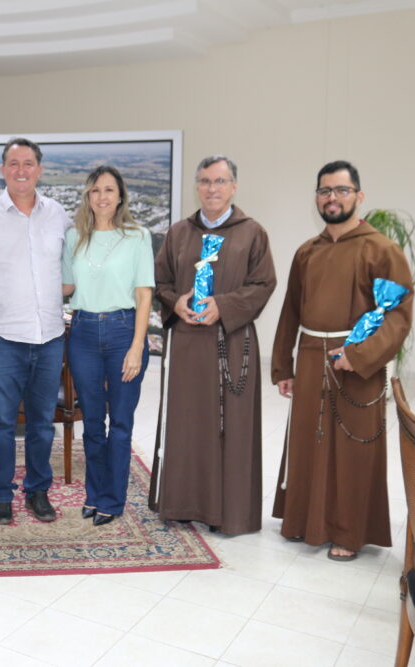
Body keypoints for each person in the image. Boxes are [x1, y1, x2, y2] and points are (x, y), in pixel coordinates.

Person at [272, 160, 413, 561]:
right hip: (312, 355)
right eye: (324, 191)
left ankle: (349, 533)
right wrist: (284, 365)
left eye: (340, 190)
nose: (331, 198)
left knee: (351, 450)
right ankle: (302, 521)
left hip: (355, 363)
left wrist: (359, 355)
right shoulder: (307, 252)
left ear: (359, 196)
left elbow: (399, 316)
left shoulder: (382, 250)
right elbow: (290, 311)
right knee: (308, 444)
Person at [148, 155, 276, 535]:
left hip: (231, 344)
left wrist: (224, 306)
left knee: (230, 427)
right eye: (205, 181)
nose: (212, 188)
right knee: (187, 424)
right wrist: (176, 302)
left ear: (233, 186)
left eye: (220, 181)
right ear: (197, 186)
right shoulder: (179, 233)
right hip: (187, 344)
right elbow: (161, 282)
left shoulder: (252, 233)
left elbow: (263, 284)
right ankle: (183, 503)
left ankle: (228, 513)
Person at [0, 137, 71, 526]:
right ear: (3, 169)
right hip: (2, 339)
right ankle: (1, 494)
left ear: (39, 169)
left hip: (50, 337)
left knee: (41, 423)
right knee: (1, 423)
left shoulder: (59, 216)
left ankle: (38, 491)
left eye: (29, 163)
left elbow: (71, 274)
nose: (21, 170)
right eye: (13, 163)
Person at [62, 166, 154, 526]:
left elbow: (144, 295)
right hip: (82, 333)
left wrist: (136, 347)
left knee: (120, 422)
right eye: (96, 190)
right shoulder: (74, 238)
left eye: (109, 190)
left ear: (120, 197)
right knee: (93, 424)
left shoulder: (137, 237)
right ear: (88, 196)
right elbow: (66, 288)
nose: (102, 196)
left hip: (122, 333)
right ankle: (94, 494)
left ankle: (113, 500)